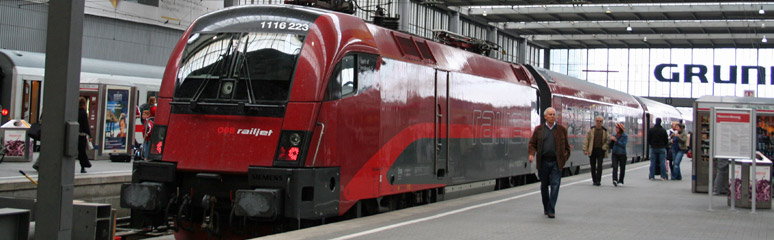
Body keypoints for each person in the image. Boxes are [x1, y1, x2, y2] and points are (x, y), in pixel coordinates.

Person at [528, 107, 571, 219]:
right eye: (550, 114)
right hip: (543, 162)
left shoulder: (562, 130)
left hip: (556, 162)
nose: (552, 116)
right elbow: (532, 144)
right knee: (544, 186)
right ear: (545, 117)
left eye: (554, 114)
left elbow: (567, 147)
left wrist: (564, 158)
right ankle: (546, 207)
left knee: (555, 185)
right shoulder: (539, 130)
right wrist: (532, 154)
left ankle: (551, 209)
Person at [582, 116, 609, 186]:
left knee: (600, 166)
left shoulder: (604, 131)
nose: (599, 122)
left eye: (600, 121)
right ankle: (594, 179)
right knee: (593, 166)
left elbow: (608, 140)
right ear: (595, 121)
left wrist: (604, 147)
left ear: (602, 122)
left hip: (601, 150)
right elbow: (586, 140)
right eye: (597, 121)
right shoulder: (591, 131)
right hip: (592, 150)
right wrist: (585, 149)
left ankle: (598, 180)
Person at [78, 97, 93, 173]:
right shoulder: (84, 113)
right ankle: (83, 166)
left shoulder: (75, 111)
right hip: (82, 135)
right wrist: (90, 135)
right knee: (82, 152)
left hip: (75, 134)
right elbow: (86, 125)